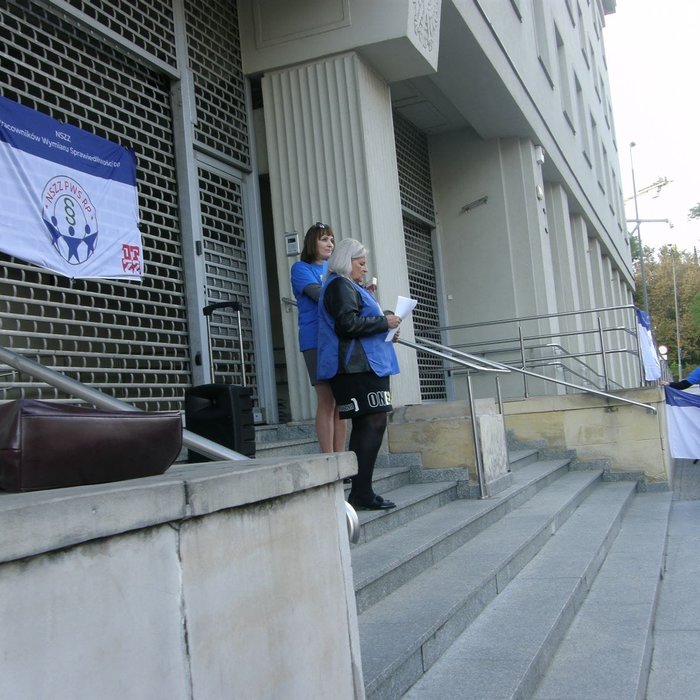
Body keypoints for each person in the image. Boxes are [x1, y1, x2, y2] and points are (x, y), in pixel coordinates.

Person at [317, 238, 402, 510]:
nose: (364, 269)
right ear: (346, 261)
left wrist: (385, 328)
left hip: (366, 366)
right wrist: (383, 322)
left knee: (373, 423)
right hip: (353, 367)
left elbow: (357, 323)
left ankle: (363, 491)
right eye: (361, 263)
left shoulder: (349, 286)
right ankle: (361, 492)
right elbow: (347, 325)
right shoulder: (339, 284)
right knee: (371, 422)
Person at [290, 222, 347, 452]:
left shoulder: (335, 271)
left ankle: (341, 460)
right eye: (324, 239)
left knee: (341, 403)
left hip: (337, 339)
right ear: (312, 242)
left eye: (332, 240)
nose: (330, 244)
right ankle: (328, 460)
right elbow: (320, 295)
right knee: (327, 399)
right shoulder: (300, 268)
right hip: (315, 340)